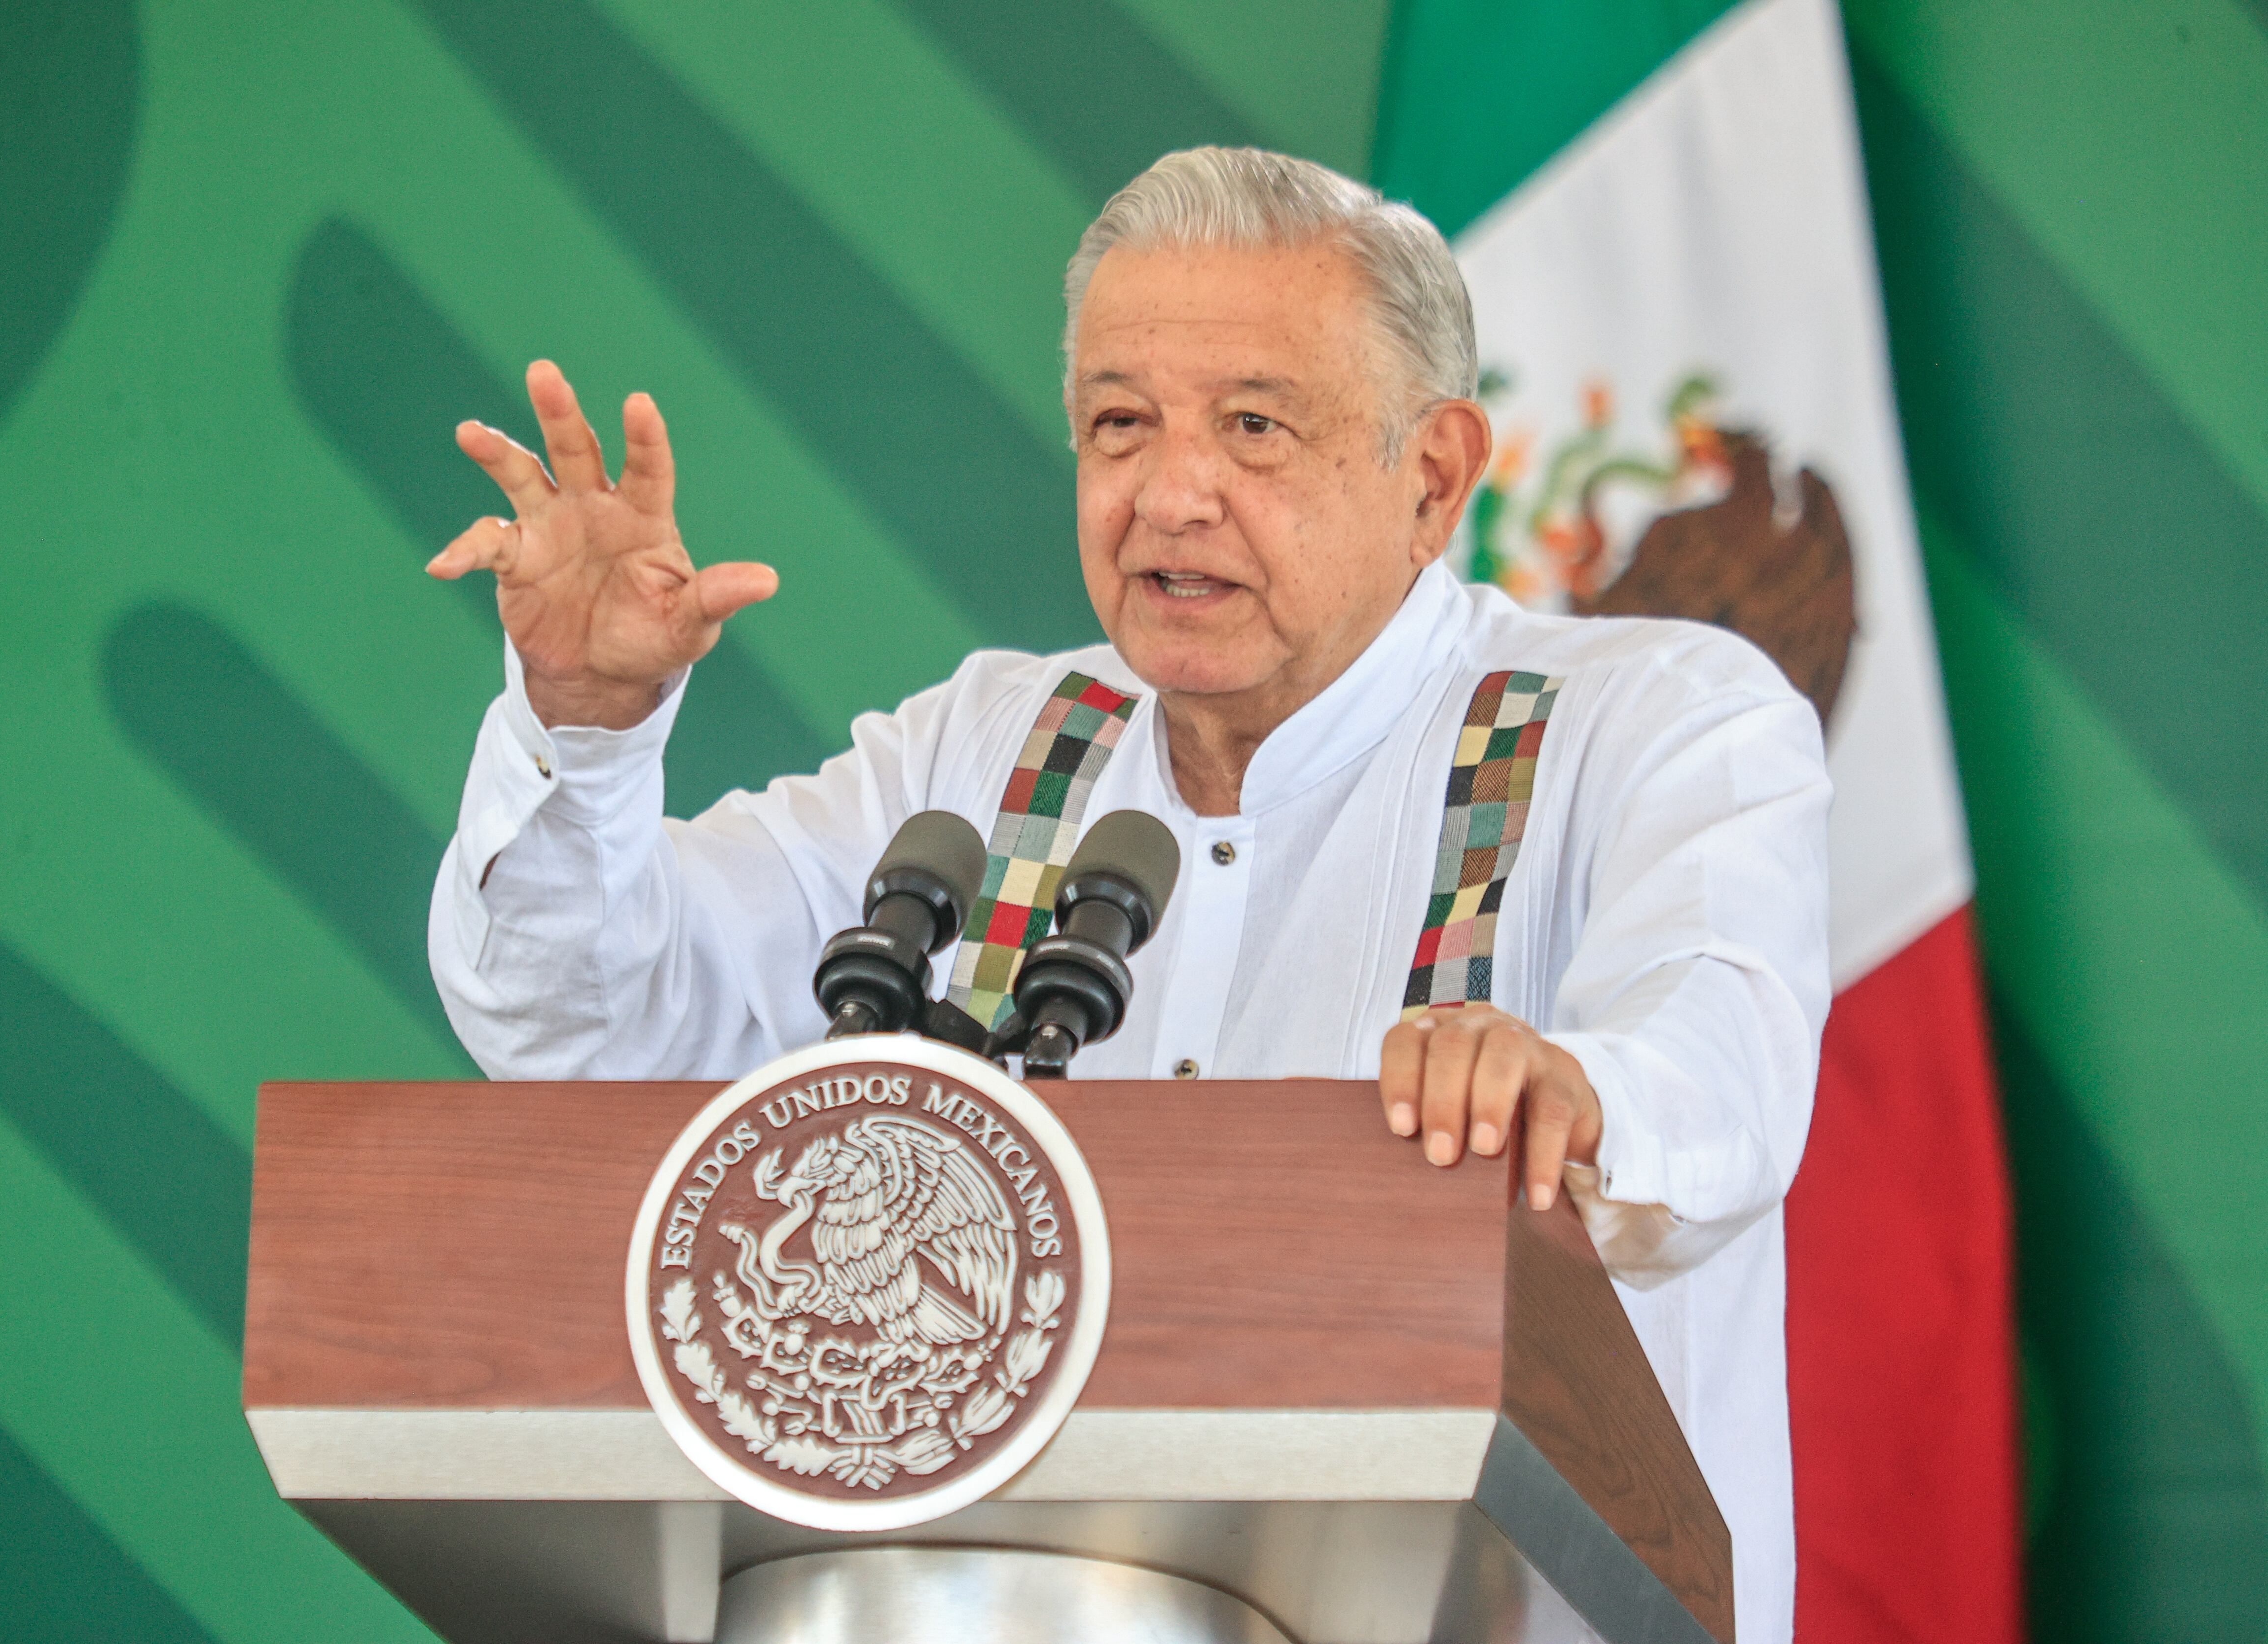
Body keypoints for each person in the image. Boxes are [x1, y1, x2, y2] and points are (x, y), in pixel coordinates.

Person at [425, 147, 1827, 1642]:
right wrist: (581, 727)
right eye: (1119, 425)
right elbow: (595, 1028)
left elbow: (1722, 1058)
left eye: (1253, 428)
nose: (1170, 493)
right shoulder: (986, 751)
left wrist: (1564, 1091)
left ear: (1432, 477)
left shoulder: (1652, 717)